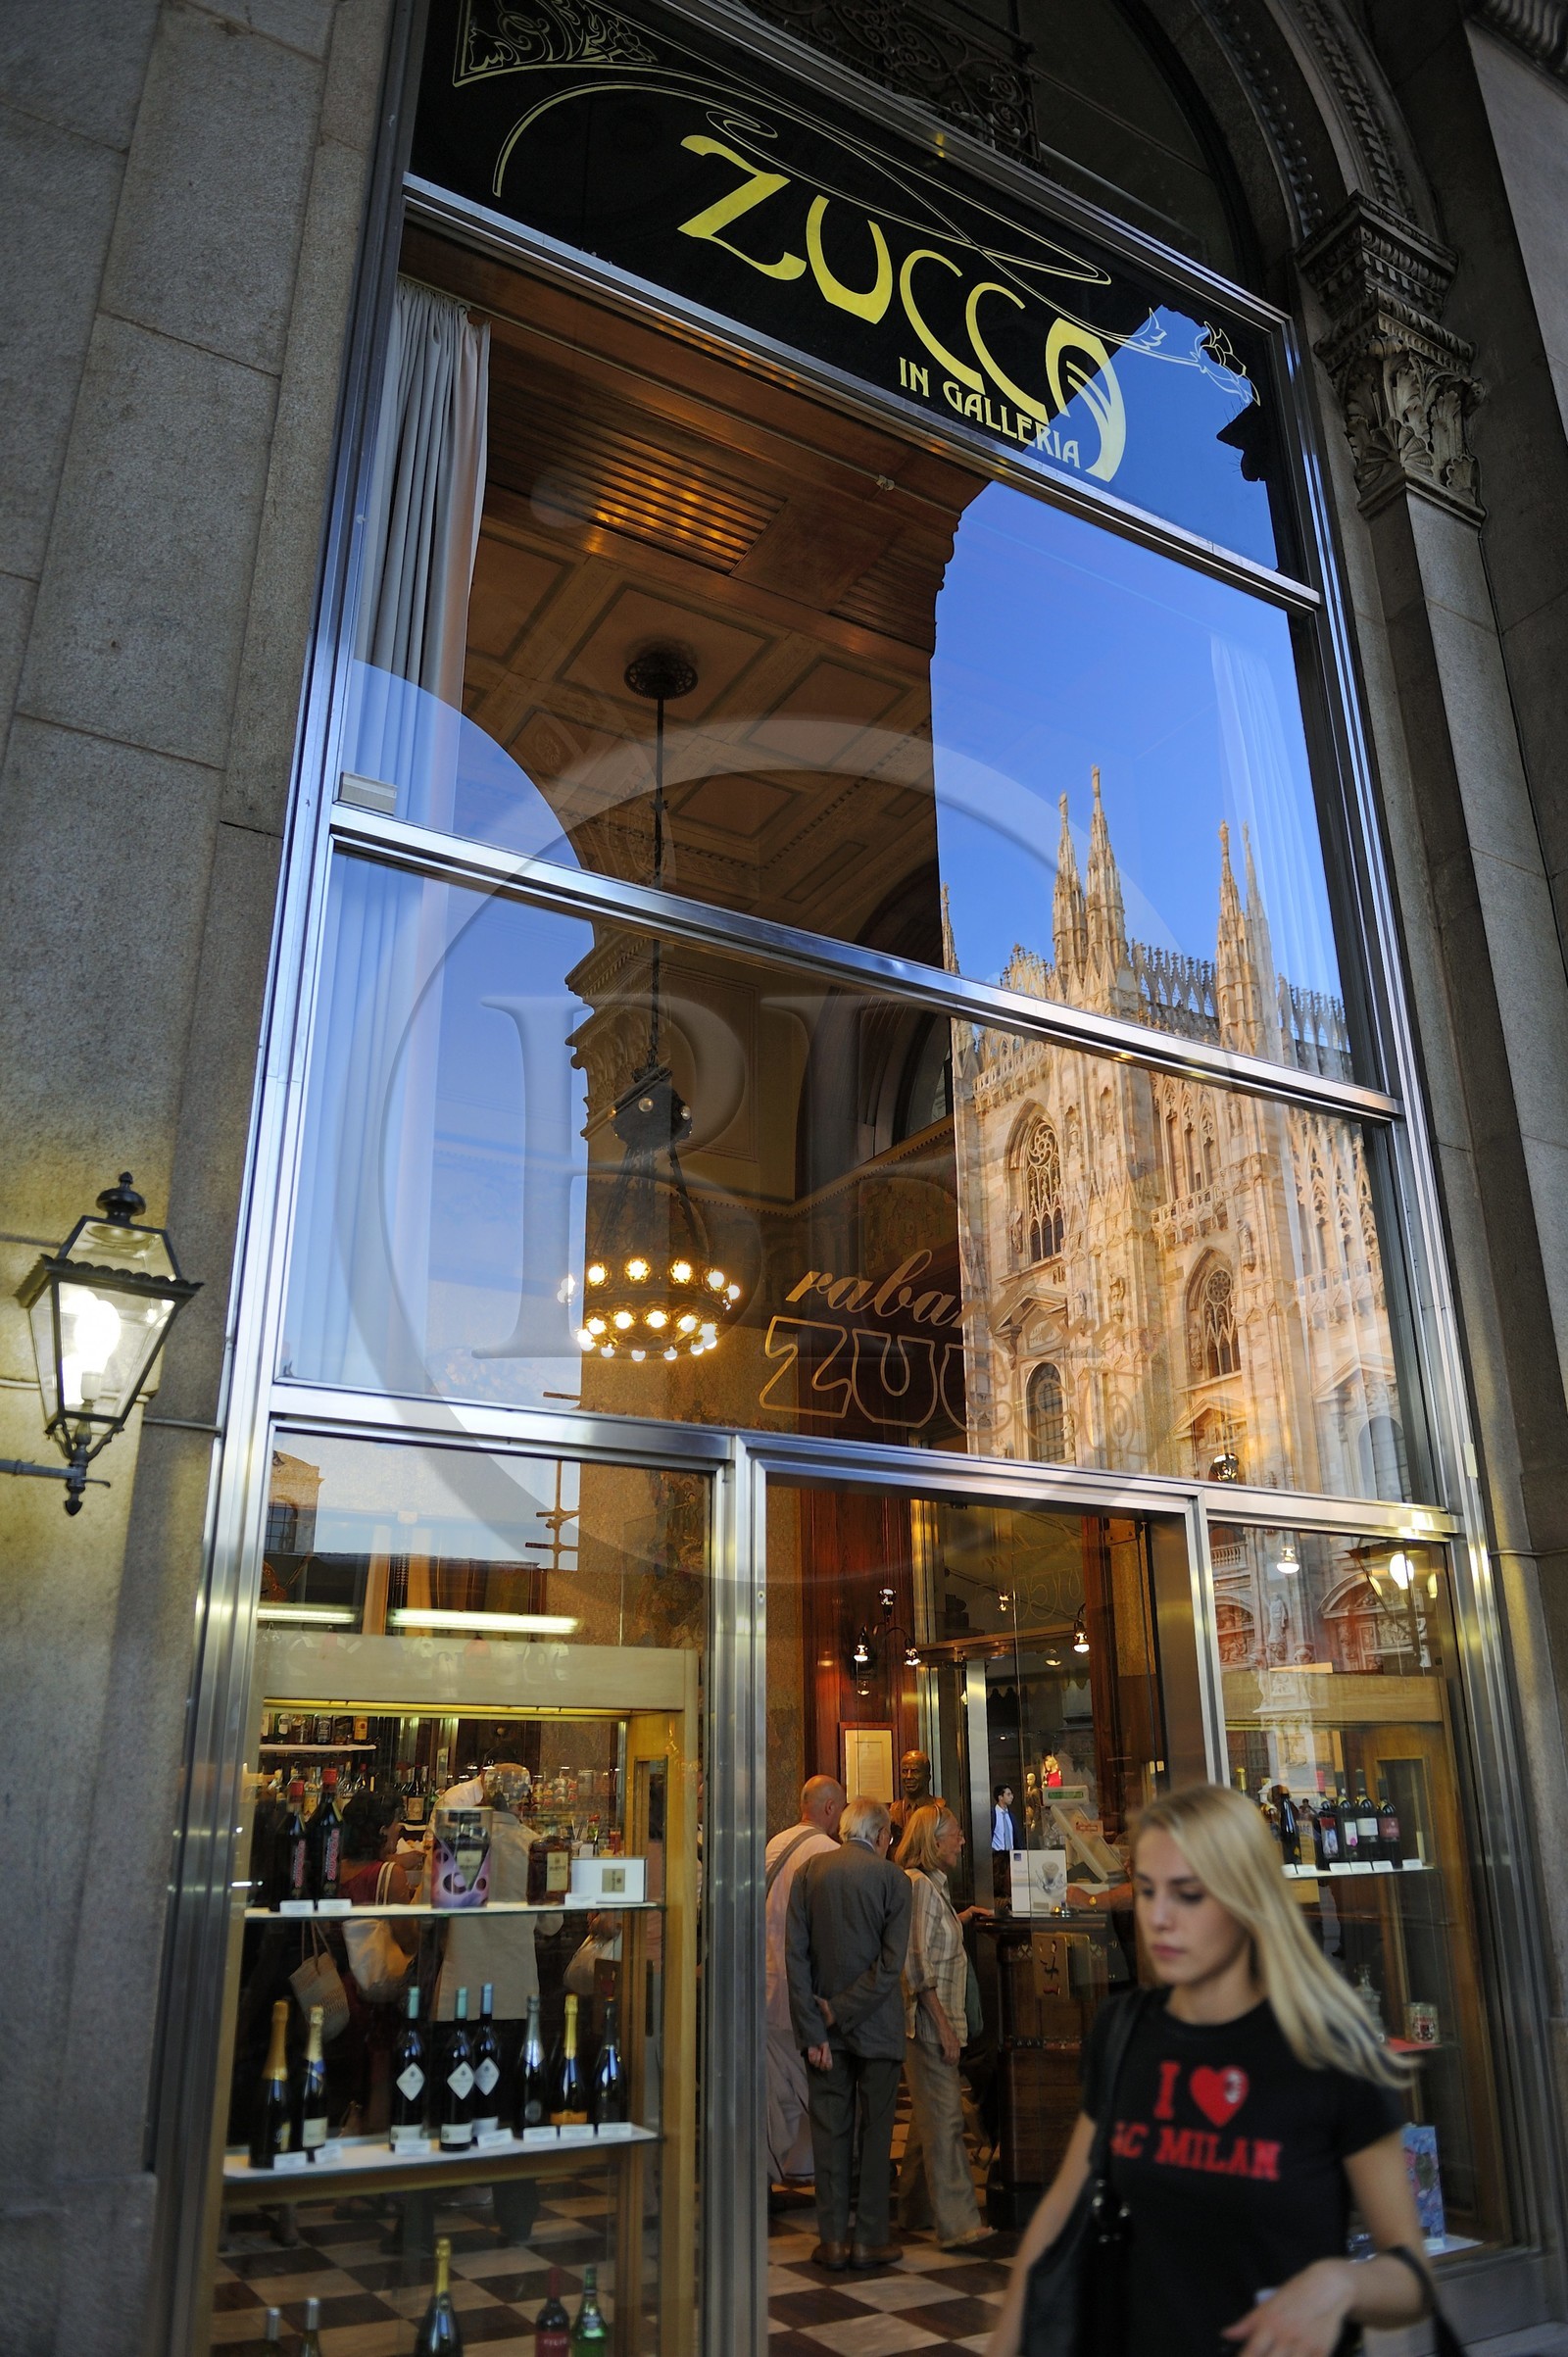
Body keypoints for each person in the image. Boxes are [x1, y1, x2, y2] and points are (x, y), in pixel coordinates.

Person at [986, 1783, 1434, 2357]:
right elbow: (1061, 2210)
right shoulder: (1125, 2032)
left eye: (1188, 1894)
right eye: (1146, 1892)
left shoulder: (1326, 2049)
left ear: (1245, 1899)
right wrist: (1008, 2338)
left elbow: (1410, 2275)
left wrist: (1342, 2283)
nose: (1160, 1918)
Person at [786, 1794, 912, 2273]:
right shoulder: (893, 1880)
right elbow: (889, 1967)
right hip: (877, 2028)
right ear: (880, 1836)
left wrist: (817, 2024)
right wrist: (840, 2011)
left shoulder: (809, 1875)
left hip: (823, 2037)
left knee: (829, 2135)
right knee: (878, 2135)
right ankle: (871, 2239)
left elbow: (795, 1959)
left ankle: (833, 2240)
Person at [895, 1801, 997, 2253]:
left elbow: (930, 1938)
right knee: (947, 2119)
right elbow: (916, 1965)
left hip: (936, 2023)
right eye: (954, 1833)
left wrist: (960, 1920)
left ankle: (912, 2210)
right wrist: (945, 2027)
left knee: (928, 2117)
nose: (961, 1840)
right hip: (931, 2025)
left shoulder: (931, 1889)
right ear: (933, 1842)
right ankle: (957, 2222)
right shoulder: (918, 1887)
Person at [765, 1777, 845, 2187]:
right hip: (804, 1990)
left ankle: (789, 2166)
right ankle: (785, 2169)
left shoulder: (774, 1844)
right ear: (830, 1809)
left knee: (778, 2085)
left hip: (766, 1982)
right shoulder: (829, 1853)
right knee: (805, 2084)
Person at [889, 1750, 934, 1842]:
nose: (909, 1777)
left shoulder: (939, 1808)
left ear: (927, 1777)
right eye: (905, 1771)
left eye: (915, 1771)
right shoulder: (893, 1811)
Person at [991, 1784, 1017, 1853]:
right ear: (1000, 1797)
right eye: (1008, 1794)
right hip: (997, 1855)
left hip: (1011, 1855)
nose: (1012, 1797)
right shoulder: (992, 1814)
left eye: (1012, 1794)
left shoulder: (1012, 1816)